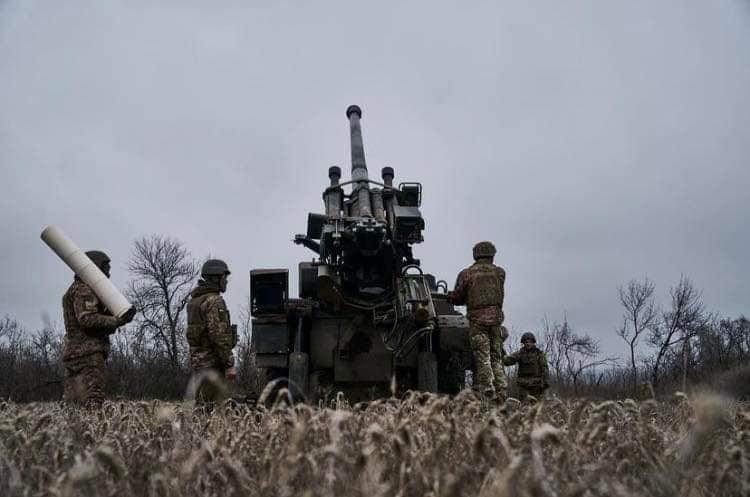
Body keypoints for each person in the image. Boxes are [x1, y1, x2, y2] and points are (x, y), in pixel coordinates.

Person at [62, 250, 134, 406]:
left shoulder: (73, 289)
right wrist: (118, 320)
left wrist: (112, 315)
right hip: (88, 355)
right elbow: (88, 320)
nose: (108, 273)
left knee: (72, 405)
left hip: (74, 354)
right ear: (96, 267)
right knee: (92, 400)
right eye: (106, 268)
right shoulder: (84, 289)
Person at [447, 241, 508, 400]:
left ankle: (487, 390)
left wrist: (449, 297)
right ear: (492, 255)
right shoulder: (500, 273)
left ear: (475, 255)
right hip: (496, 321)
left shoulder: (467, 274)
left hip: (477, 322)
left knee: (483, 357)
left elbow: (458, 297)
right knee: (496, 357)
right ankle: (502, 390)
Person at [186, 259, 238, 402]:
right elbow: (219, 336)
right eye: (224, 277)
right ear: (216, 278)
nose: (226, 281)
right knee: (212, 409)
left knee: (201, 407)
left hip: (198, 365)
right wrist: (229, 364)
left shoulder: (194, 302)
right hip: (212, 366)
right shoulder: (214, 301)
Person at [503, 332, 550, 401]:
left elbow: (544, 368)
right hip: (523, 385)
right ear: (523, 343)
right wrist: (500, 352)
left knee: (537, 404)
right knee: (524, 404)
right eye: (526, 342)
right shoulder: (520, 354)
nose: (528, 344)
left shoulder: (539, 354)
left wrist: (546, 383)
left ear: (533, 343)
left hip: (536, 385)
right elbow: (507, 361)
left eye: (530, 342)